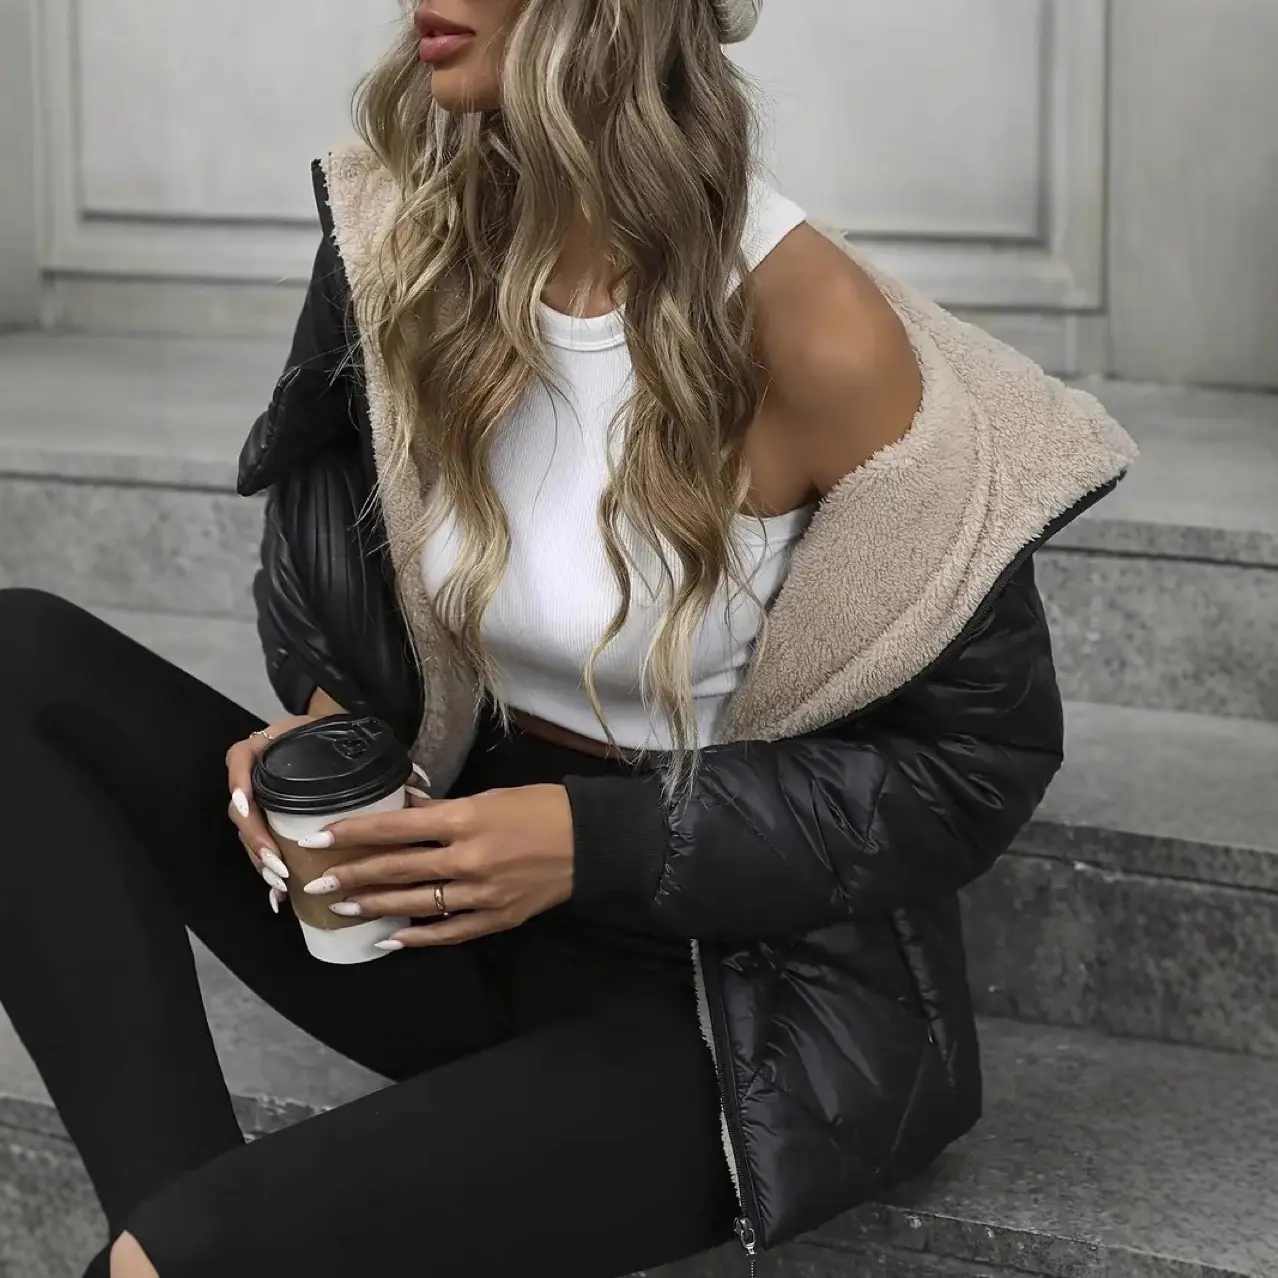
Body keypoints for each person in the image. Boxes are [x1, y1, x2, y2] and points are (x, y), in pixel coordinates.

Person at [0, 1, 1139, 1275]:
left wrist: (592, 840)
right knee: (18, 663)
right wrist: (327, 736)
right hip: (441, 893)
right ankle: (176, 1237)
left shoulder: (815, 327)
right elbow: (331, 551)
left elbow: (970, 766)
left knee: (191, 1254)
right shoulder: (407, 244)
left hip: (724, 1002)